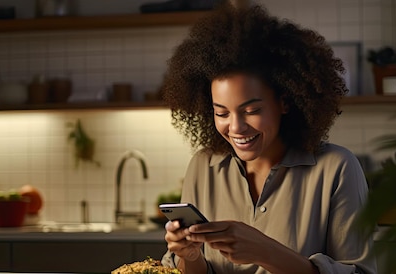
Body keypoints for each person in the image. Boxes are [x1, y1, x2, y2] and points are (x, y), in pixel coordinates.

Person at [159, 3, 376, 274]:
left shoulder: (337, 168)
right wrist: (190, 257)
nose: (236, 127)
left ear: (285, 101)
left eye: (251, 110)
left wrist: (266, 251)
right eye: (221, 113)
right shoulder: (204, 167)